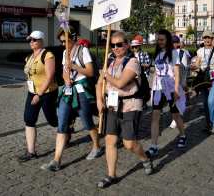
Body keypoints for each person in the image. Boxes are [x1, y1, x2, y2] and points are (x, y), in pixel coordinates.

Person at [96, 31, 153, 188]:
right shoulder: (110, 61)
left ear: (127, 45)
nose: (115, 48)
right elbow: (98, 84)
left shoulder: (132, 62)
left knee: (129, 144)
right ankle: (111, 175)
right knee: (110, 140)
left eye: (119, 44)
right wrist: (99, 100)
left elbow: (120, 83)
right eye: (113, 45)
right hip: (112, 105)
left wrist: (106, 76)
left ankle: (145, 158)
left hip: (130, 105)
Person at [40, 28, 102, 171]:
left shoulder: (83, 51)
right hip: (68, 90)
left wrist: (73, 65)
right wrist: (66, 79)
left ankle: (97, 146)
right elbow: (63, 71)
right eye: (61, 41)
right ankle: (56, 160)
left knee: (87, 121)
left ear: (73, 38)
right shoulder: (64, 53)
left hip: (81, 89)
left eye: (65, 41)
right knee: (62, 122)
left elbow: (90, 71)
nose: (63, 44)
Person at [146, 29, 187, 158]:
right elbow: (156, 73)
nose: (160, 42)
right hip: (158, 88)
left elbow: (176, 73)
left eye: (162, 40)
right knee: (155, 116)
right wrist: (152, 88)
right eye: (158, 40)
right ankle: (154, 145)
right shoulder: (157, 54)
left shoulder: (174, 53)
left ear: (168, 40)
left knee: (175, 115)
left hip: (170, 88)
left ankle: (182, 135)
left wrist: (176, 90)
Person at [19, 31, 58, 162]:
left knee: (52, 120)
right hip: (32, 92)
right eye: (30, 40)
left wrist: (39, 94)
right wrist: (33, 91)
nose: (31, 42)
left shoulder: (48, 55)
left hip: (47, 93)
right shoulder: (29, 57)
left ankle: (67, 126)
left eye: (34, 40)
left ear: (41, 41)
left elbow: (50, 76)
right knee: (29, 119)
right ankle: (31, 151)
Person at [194, 31, 214, 134]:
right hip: (203, 79)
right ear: (203, 39)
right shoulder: (199, 51)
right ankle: (208, 124)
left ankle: (213, 123)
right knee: (205, 103)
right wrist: (194, 67)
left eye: (209, 38)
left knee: (211, 101)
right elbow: (197, 64)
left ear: (212, 39)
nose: (207, 40)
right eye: (205, 38)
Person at [170, 36, 191, 129]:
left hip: (178, 79)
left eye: (175, 42)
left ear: (178, 43)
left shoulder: (182, 53)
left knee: (176, 99)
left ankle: (175, 119)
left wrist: (183, 82)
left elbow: (185, 69)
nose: (173, 44)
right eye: (172, 42)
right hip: (170, 80)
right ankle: (175, 117)